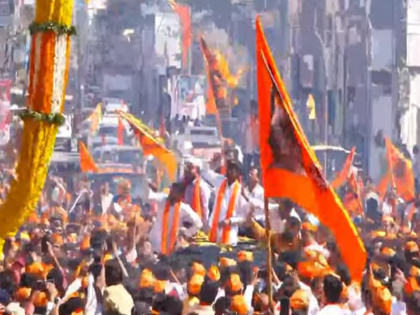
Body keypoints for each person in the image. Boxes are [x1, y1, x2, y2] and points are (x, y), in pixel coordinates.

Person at [202, 156, 256, 246]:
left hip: (229, 235)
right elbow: (205, 173)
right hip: (215, 233)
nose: (231, 172)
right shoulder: (220, 181)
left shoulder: (240, 191)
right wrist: (212, 164)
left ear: (238, 174)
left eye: (234, 170)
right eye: (230, 169)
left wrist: (230, 221)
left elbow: (244, 216)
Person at [146, 182, 203, 254]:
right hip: (153, 242)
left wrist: (186, 233)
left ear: (180, 195)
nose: (170, 194)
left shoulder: (183, 208)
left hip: (170, 247)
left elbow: (198, 223)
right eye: (171, 191)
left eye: (174, 192)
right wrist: (147, 185)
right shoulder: (162, 199)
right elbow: (150, 196)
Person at [183, 157, 212, 227]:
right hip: (182, 222)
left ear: (197, 170)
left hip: (196, 224)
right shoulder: (182, 183)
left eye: (190, 168)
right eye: (185, 168)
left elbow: (205, 208)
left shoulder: (202, 187)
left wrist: (205, 226)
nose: (187, 170)